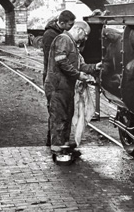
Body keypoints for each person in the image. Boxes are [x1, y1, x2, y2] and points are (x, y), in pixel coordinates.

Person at [44, 21, 101, 163]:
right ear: (79, 29)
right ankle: (57, 152)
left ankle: (64, 146)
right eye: (85, 35)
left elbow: (80, 65)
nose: (85, 39)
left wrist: (95, 67)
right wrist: (78, 75)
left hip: (66, 87)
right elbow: (61, 61)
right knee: (59, 118)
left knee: (67, 117)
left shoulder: (73, 45)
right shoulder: (63, 39)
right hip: (57, 86)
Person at [42, 10, 75, 84]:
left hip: (60, 72)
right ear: (62, 23)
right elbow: (51, 57)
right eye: (70, 25)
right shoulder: (50, 35)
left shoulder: (62, 32)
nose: (71, 27)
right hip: (52, 74)